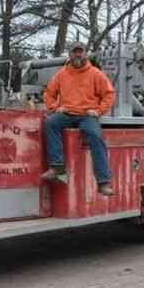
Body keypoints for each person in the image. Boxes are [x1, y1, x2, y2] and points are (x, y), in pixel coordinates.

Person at [40, 42, 116, 195]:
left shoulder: (95, 73)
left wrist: (99, 111)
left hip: (87, 115)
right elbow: (48, 93)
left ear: (85, 54)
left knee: (95, 135)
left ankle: (103, 182)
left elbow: (109, 94)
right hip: (67, 113)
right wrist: (55, 108)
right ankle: (57, 167)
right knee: (50, 123)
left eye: (80, 52)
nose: (78, 54)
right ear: (70, 54)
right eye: (75, 52)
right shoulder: (61, 74)